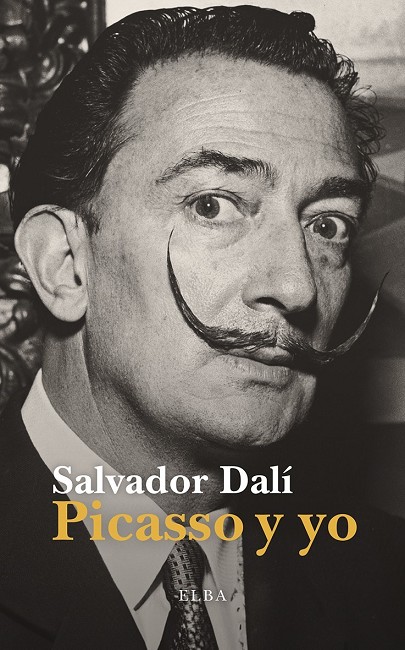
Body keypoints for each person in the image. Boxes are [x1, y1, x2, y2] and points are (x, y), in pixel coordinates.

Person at [1, 5, 404, 648]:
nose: (297, 287)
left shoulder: (384, 584)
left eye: (327, 224)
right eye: (212, 206)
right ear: (66, 265)